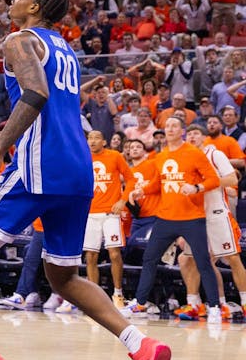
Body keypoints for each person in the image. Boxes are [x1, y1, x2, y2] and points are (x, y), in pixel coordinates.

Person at [0, 0, 171, 360]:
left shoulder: (19, 39)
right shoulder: (64, 50)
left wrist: (0, 149)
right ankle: (140, 345)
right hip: (76, 170)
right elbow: (55, 107)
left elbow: (36, 94)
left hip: (42, 167)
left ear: (34, 7)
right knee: (63, 277)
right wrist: (0, 134)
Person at [124, 118, 222, 323]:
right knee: (149, 259)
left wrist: (196, 188)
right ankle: (140, 302)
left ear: (182, 131)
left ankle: (214, 306)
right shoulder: (161, 156)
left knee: (203, 262)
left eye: (174, 126)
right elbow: (158, 183)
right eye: (167, 126)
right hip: (165, 217)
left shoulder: (194, 153)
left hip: (192, 218)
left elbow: (212, 179)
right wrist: (143, 190)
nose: (169, 129)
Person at [172, 124, 246, 321]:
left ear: (204, 137)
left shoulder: (215, 155)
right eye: (189, 134)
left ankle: (244, 302)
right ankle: (194, 304)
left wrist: (201, 186)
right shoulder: (184, 158)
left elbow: (231, 179)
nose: (192, 136)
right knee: (190, 260)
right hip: (194, 216)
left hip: (217, 214)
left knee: (232, 258)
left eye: (197, 133)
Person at [82, 130, 134, 310]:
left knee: (114, 253)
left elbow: (131, 179)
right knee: (90, 256)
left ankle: (118, 293)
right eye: (90, 138)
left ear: (104, 142)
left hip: (111, 213)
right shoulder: (83, 157)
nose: (92, 141)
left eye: (96, 138)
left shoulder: (114, 156)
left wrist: (123, 200)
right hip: (89, 214)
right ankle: (93, 296)